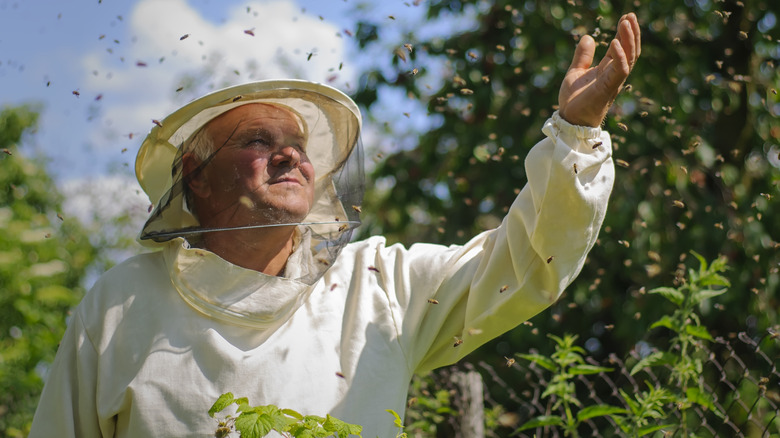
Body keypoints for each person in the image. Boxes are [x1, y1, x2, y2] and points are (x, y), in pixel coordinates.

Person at [30, 13, 641, 438]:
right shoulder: (119, 304)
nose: (290, 155)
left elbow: (530, 261)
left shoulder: (379, 285)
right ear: (195, 175)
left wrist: (575, 135)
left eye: (297, 143)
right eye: (256, 140)